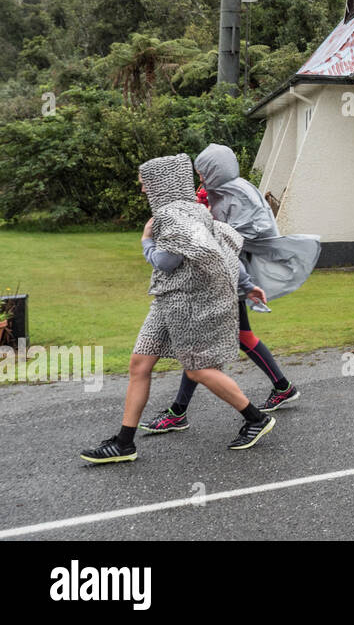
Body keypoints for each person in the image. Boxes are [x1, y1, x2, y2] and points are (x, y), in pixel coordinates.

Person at [80, 154, 276, 463]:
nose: (143, 190)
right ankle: (124, 442)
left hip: (188, 304)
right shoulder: (197, 210)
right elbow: (222, 249)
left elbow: (166, 262)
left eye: (145, 184)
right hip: (165, 301)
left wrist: (146, 241)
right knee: (139, 363)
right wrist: (247, 284)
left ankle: (255, 418)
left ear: (160, 183)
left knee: (199, 369)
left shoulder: (170, 217)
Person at [143, 143, 319, 433]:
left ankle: (179, 412)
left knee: (199, 348)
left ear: (215, 170)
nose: (200, 180)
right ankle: (282, 386)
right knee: (228, 341)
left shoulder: (236, 192)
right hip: (228, 275)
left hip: (225, 276)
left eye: (203, 173)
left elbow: (237, 233)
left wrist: (207, 221)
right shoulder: (229, 189)